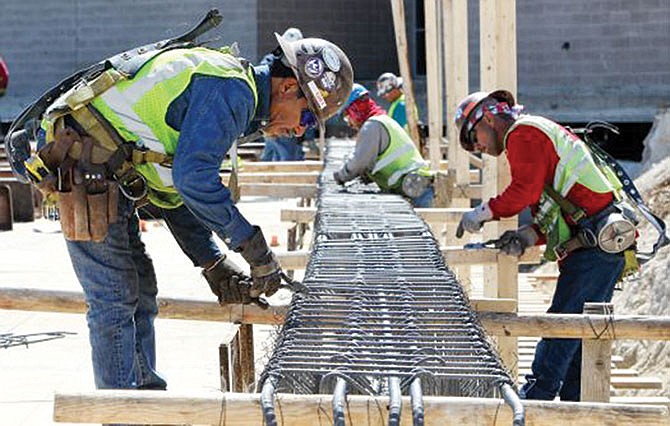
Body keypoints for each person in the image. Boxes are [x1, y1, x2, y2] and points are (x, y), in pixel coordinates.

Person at [5, 13, 353, 394]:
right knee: (115, 296)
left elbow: (174, 193)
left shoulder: (234, 94)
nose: (301, 129)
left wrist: (214, 264)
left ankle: (144, 396)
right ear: (288, 87)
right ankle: (121, 412)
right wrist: (251, 246)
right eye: (306, 115)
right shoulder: (233, 91)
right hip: (82, 164)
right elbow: (194, 180)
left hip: (104, 170)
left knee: (140, 286)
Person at [453, 89, 635, 401]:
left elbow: (523, 191)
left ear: (487, 119)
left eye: (475, 138)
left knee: (562, 325)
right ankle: (577, 407)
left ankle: (535, 399)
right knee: (579, 334)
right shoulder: (533, 136)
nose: (479, 148)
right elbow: (558, 215)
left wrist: (482, 213)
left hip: (594, 247)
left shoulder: (523, 134)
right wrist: (528, 235)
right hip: (595, 244)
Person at [334, 83, 434, 208]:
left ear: (354, 110)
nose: (349, 123)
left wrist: (340, 176)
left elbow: (359, 162)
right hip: (414, 187)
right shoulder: (380, 121)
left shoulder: (372, 126)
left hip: (416, 189)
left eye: (347, 117)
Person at [259, 27, 310, 161]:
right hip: (279, 119)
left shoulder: (301, 67)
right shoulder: (270, 63)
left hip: (284, 120)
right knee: (284, 155)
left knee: (276, 153)